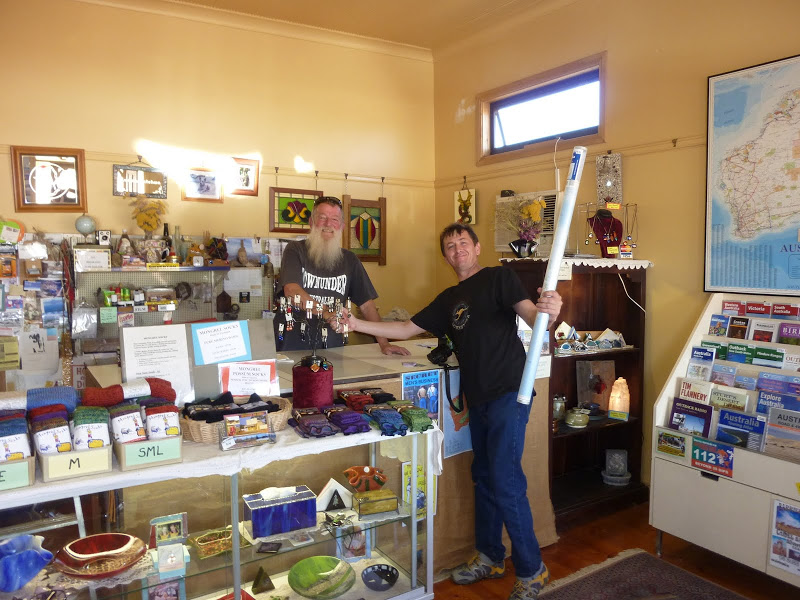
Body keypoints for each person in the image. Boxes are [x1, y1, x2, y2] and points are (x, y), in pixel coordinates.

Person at [338, 223, 561, 600]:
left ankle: (532, 570)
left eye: (463, 243)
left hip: (510, 393)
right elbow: (405, 328)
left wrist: (550, 311)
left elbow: (533, 317)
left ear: (477, 247)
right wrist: (356, 322)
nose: (457, 250)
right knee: (484, 477)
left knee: (505, 481)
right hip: (479, 398)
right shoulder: (449, 299)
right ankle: (490, 556)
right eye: (450, 246)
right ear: (446, 256)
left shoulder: (499, 278)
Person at [277, 196, 409, 355]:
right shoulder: (295, 249)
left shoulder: (350, 260)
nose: (328, 224)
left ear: (342, 226)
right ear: (311, 222)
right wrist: (326, 313)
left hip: (333, 347)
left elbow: (367, 305)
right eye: (322, 217)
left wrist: (384, 344)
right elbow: (292, 291)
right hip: (293, 345)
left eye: (334, 219)